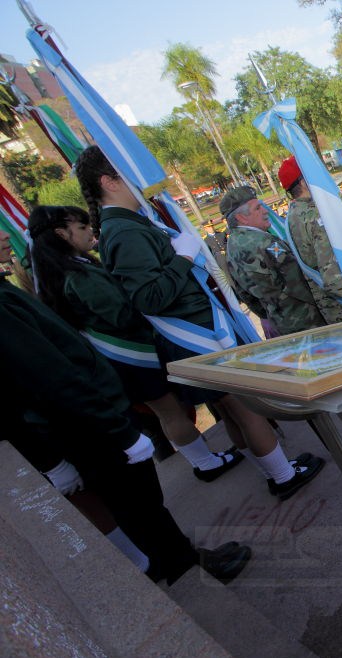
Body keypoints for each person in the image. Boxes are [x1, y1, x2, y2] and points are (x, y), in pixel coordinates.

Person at [0, 227, 252, 585]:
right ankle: (185, 567)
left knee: (141, 505)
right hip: (89, 428)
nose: (4, 235)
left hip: (88, 422)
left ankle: (176, 560)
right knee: (140, 505)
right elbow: (49, 377)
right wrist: (120, 433)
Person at [74, 146, 324, 501]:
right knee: (246, 409)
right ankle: (283, 475)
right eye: (127, 172)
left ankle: (271, 470)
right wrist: (182, 258)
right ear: (108, 182)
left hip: (194, 332)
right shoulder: (124, 231)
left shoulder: (127, 224)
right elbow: (149, 297)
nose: (139, 179)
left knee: (232, 412)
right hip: (196, 334)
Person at [27, 205, 243, 481]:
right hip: (133, 356)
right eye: (81, 227)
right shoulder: (79, 276)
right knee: (171, 413)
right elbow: (122, 316)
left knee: (169, 413)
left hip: (127, 358)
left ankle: (204, 460)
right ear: (61, 234)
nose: (89, 231)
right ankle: (206, 463)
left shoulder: (66, 272)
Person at [220, 187, 326, 335]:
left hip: (281, 323)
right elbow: (298, 280)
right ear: (242, 218)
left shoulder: (232, 247)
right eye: (258, 208)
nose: (265, 211)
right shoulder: (264, 242)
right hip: (308, 319)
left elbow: (245, 294)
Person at [279, 156, 342, 326]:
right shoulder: (314, 215)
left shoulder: (293, 215)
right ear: (303, 183)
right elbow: (332, 274)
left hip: (328, 306)